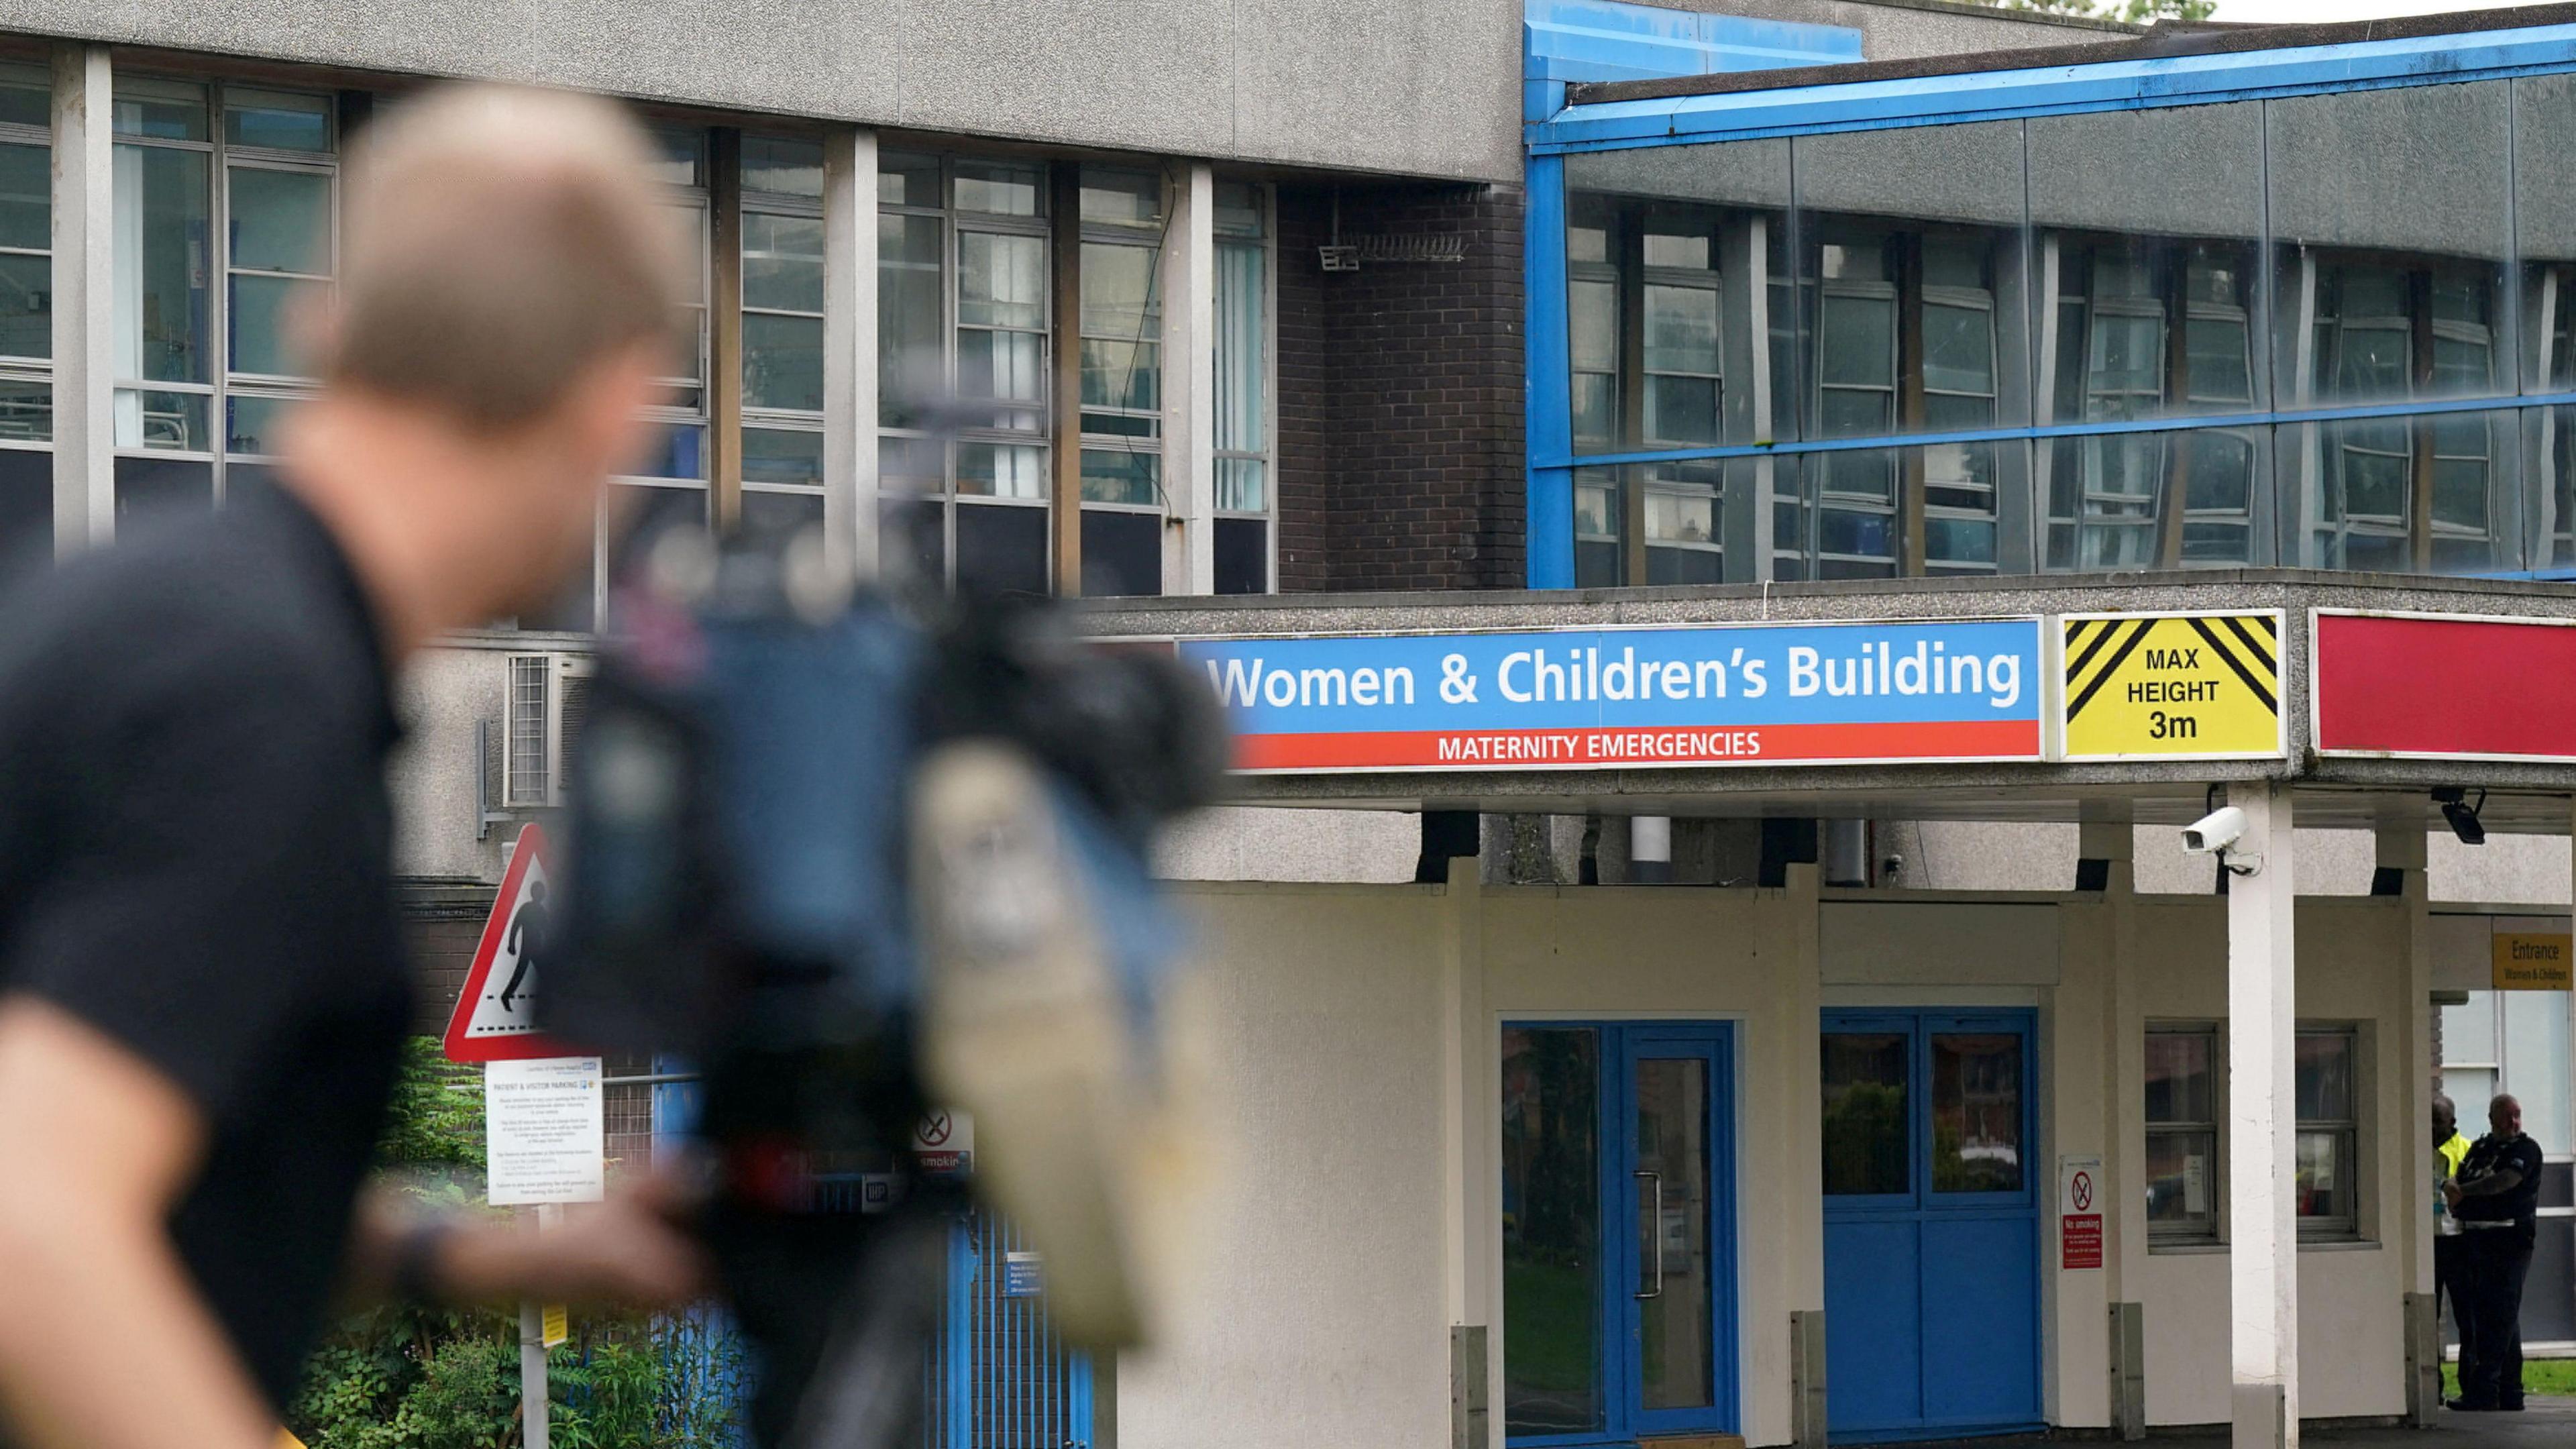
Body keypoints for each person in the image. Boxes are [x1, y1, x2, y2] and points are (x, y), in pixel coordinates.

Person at [0, 86, 706, 1449]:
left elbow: (161, 1157)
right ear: (616, 406)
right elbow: (35, 1218)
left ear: (324, 329)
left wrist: (473, 1259)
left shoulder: (152, 608)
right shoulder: (254, 699)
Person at [2446, 1092, 2544, 1412]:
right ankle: (2510, 1391)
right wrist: (2454, 1187)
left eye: (2517, 1115)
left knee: (2499, 1315)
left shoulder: (2526, 1150)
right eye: (2506, 1116)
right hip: (2476, 1239)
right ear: (2492, 1119)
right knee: (2496, 1315)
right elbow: (2461, 1175)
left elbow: (2504, 1182)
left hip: (2509, 1240)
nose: (2512, 1123)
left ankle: (2485, 1389)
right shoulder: (2482, 1148)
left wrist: (2464, 1192)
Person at [2432, 1095, 2469, 1337]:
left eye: (2438, 1121)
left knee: (2466, 1311)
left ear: (2452, 1122)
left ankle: (2470, 1373)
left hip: (2459, 1240)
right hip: (2428, 1241)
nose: (2432, 1127)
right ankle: (2431, 1373)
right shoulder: (2417, 1149)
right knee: (2428, 1311)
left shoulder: (2469, 1150)